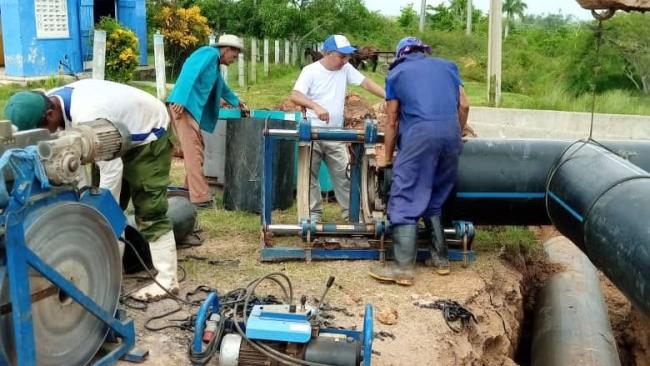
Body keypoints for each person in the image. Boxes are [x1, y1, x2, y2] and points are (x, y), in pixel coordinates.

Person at [4, 79, 178, 301]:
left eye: (42, 130)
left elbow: (112, 169)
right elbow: (74, 165)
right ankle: (115, 272)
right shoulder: (50, 101)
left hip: (147, 130)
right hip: (113, 131)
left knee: (148, 207)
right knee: (102, 202)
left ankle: (167, 279)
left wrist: (98, 214)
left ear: (50, 115)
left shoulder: (87, 115)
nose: (45, 136)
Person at [368, 36, 470, 286]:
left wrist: (387, 157)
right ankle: (441, 259)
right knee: (434, 196)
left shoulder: (397, 74)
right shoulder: (448, 67)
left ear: (400, 54)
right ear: (424, 51)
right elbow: (465, 105)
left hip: (419, 138)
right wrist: (455, 132)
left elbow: (392, 121)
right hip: (451, 137)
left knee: (404, 196)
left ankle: (403, 269)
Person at [290, 34, 385, 222]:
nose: (346, 60)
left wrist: (388, 95)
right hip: (313, 133)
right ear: (328, 54)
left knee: (344, 174)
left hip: (335, 133)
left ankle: (352, 215)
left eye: (348, 56)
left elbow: (365, 82)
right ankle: (312, 216)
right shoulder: (310, 71)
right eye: (342, 56)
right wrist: (316, 107)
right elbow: (295, 95)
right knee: (309, 177)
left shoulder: (345, 69)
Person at [167, 34, 248, 209]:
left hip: (189, 108)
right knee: (194, 151)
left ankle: (189, 191)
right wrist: (180, 98)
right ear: (226, 49)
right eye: (234, 56)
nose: (234, 60)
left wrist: (236, 101)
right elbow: (189, 70)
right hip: (184, 107)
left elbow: (222, 87)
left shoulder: (215, 65)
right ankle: (200, 198)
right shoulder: (209, 53)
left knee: (197, 149)